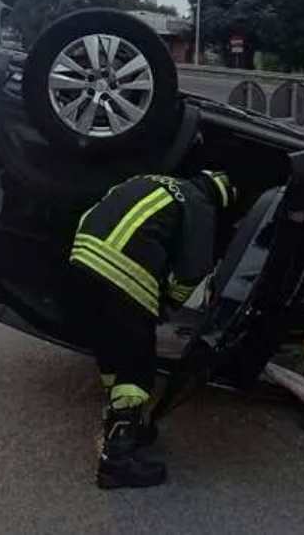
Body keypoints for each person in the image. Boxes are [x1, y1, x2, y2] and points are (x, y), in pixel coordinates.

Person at [69, 170, 237, 489]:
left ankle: (121, 420)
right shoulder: (199, 204)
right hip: (125, 269)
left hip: (83, 257)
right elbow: (193, 269)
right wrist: (168, 305)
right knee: (137, 361)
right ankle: (117, 460)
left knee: (111, 349)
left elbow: (94, 210)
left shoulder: (149, 180)